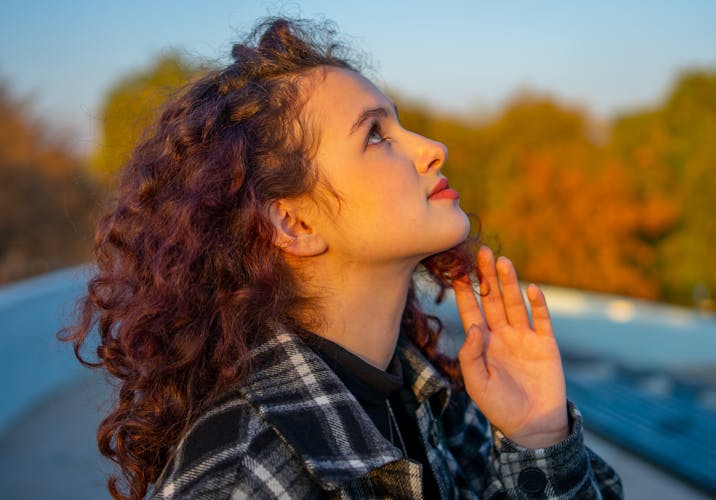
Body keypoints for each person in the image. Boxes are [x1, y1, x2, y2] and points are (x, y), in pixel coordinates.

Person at [62, 17, 623, 499]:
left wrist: (538, 435)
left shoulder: (428, 392)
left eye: (397, 123)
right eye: (375, 136)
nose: (434, 149)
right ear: (294, 223)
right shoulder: (243, 477)